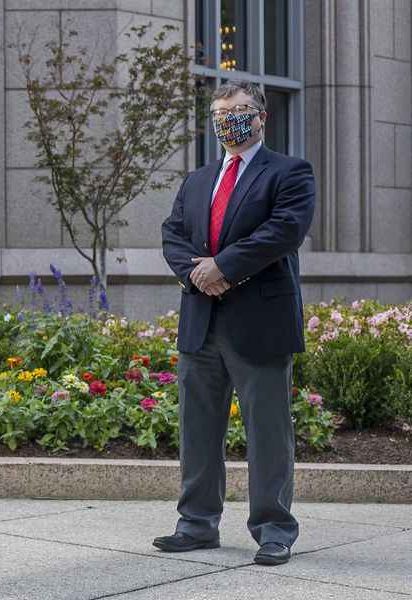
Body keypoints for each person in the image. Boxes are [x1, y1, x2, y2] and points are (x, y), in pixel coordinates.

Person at [157, 80, 316, 566]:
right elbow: (173, 235)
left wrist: (223, 267)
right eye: (222, 112)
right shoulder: (198, 179)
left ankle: (273, 529)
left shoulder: (290, 172)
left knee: (268, 431)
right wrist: (197, 274)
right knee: (197, 429)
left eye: (241, 110)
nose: (230, 119)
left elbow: (283, 231)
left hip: (259, 323)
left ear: (262, 117)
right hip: (201, 321)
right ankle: (197, 524)